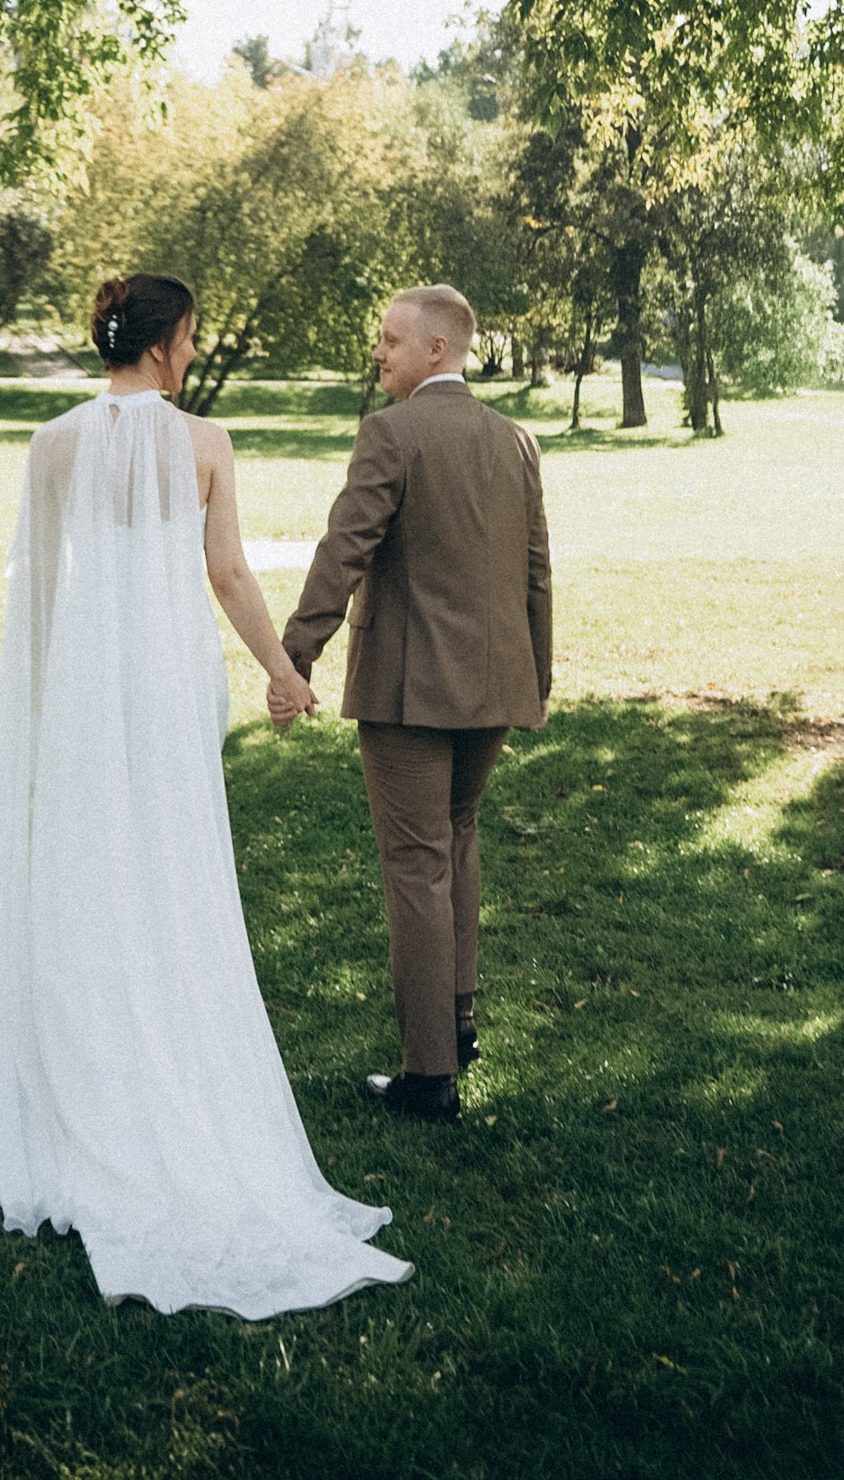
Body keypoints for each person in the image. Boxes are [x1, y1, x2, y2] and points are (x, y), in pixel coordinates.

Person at [0, 272, 411, 1317]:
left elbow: (41, 593)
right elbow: (230, 576)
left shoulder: (52, 443)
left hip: (80, 687)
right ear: (163, 345)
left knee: (85, 871)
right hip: (162, 686)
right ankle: (160, 1063)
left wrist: (36, 710)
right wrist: (282, 675)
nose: (193, 354)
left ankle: (85, 1078)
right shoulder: (204, 444)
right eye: (191, 338)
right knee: (170, 871)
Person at [277, 285, 553, 1124]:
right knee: (455, 840)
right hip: (497, 687)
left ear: (439, 349)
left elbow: (344, 550)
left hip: (410, 692)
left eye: (391, 340)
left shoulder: (390, 433)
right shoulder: (516, 439)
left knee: (416, 862)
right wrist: (534, 678)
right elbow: (537, 571)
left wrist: (294, 653)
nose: (378, 352)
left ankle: (429, 1074)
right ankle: (458, 1017)